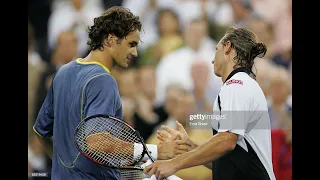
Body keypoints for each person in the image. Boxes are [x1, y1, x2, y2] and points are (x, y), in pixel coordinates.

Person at [33, 6, 190, 180]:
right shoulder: (103, 80)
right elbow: (95, 142)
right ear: (110, 39)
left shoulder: (62, 72)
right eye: (131, 44)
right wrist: (155, 150)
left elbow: (41, 131)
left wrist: (64, 166)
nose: (135, 52)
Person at [144, 26, 276, 180]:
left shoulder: (236, 85)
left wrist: (174, 163)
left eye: (216, 50)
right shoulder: (242, 85)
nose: (213, 59)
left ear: (227, 48)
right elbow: (225, 161)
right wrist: (190, 147)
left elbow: (226, 141)